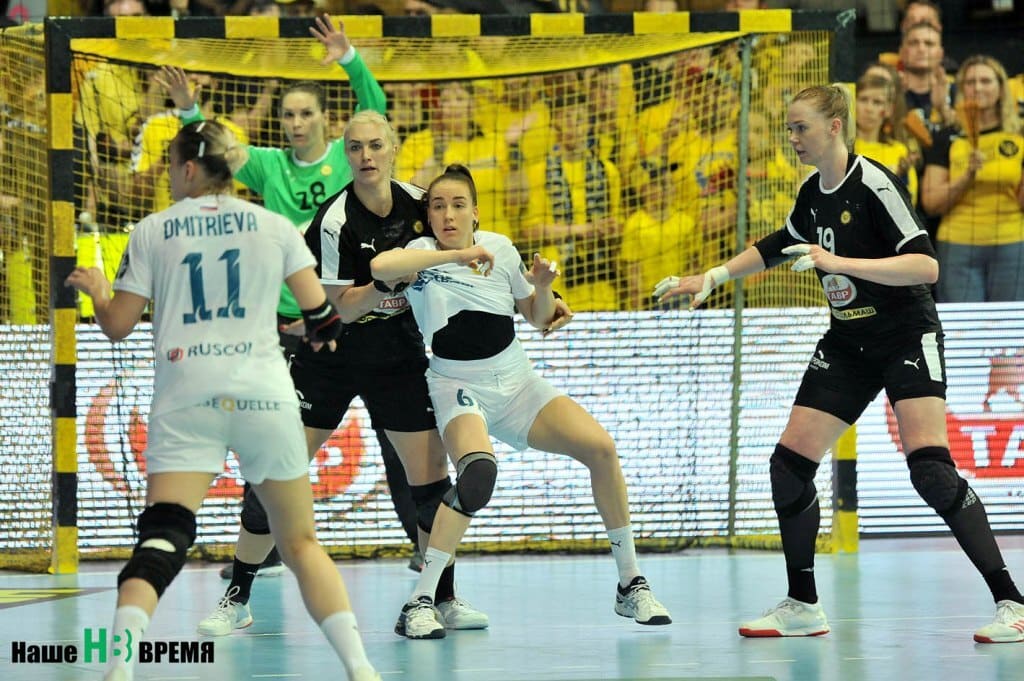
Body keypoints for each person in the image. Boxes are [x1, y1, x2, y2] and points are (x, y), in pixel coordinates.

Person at [653, 84, 1024, 643]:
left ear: (834, 126)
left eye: (800, 127)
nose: (792, 138)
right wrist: (711, 277)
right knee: (788, 465)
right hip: (849, 342)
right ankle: (802, 604)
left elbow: (926, 267)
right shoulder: (812, 192)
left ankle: (1012, 602)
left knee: (930, 469)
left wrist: (836, 261)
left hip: (905, 333)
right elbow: (780, 244)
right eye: (788, 128)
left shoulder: (874, 183)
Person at [65, 120, 381, 681]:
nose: (167, 176)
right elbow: (323, 319)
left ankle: (119, 667)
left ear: (189, 168)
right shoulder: (274, 226)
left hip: (188, 395)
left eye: (169, 166)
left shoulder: (152, 230)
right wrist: (311, 331)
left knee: (163, 534)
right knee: (301, 543)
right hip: (264, 394)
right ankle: (360, 668)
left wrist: (98, 291)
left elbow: (116, 325)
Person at [164, 16, 423, 600]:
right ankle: (262, 554)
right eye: (288, 115)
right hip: (289, 325)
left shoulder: (350, 161)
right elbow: (219, 152)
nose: (297, 122)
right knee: (273, 439)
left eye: (307, 113)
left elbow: (375, 113)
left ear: (326, 120)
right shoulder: (270, 167)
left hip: (361, 318)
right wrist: (188, 109)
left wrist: (350, 58)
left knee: (399, 439)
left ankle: (422, 544)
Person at [370, 163, 672, 640]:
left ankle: (630, 582)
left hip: (517, 383)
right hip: (456, 384)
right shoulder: (420, 253)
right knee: (477, 474)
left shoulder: (501, 248)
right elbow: (379, 268)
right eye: (438, 206)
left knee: (601, 449)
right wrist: (460, 255)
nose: (448, 215)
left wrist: (544, 284)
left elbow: (537, 316)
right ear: (428, 216)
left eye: (458, 205)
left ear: (475, 212)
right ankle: (419, 602)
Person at [920, 54, 1024, 303]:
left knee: (1011, 324)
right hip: (958, 244)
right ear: (961, 88)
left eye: (986, 81)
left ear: (1001, 88)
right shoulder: (947, 137)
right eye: (970, 82)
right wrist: (967, 176)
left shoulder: (1019, 135)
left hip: (1012, 241)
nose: (978, 87)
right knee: (962, 322)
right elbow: (931, 203)